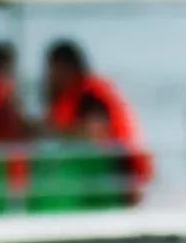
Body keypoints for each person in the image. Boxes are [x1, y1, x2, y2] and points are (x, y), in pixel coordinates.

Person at [43, 39, 152, 188]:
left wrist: (53, 131)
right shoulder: (67, 96)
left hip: (116, 172)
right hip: (91, 173)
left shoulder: (91, 96)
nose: (49, 76)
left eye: (52, 69)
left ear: (66, 67)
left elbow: (94, 133)